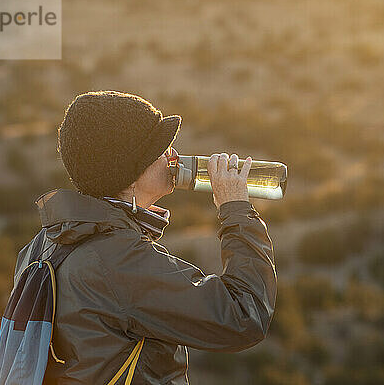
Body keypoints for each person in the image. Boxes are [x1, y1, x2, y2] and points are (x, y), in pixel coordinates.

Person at [14, 91, 276, 384]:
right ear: (128, 168)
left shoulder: (45, 243)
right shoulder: (117, 262)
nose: (172, 155)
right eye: (160, 148)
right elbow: (243, 316)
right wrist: (236, 209)